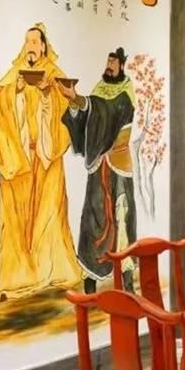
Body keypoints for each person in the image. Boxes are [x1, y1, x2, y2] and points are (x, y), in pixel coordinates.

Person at [0, 24, 81, 302]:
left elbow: (66, 108)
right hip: (20, 161)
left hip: (47, 160)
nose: (31, 47)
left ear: (44, 46)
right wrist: (15, 91)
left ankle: (54, 274)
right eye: (27, 41)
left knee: (49, 217)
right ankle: (16, 282)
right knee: (17, 222)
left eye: (35, 42)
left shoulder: (54, 73)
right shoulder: (15, 73)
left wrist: (48, 94)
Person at [59, 47, 137, 293]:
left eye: (113, 63)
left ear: (121, 66)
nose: (109, 66)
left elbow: (107, 110)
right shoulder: (99, 89)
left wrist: (80, 99)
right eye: (107, 62)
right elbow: (90, 117)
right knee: (92, 219)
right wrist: (75, 103)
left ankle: (126, 280)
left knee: (122, 217)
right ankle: (90, 279)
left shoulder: (126, 93)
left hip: (119, 165)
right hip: (98, 167)